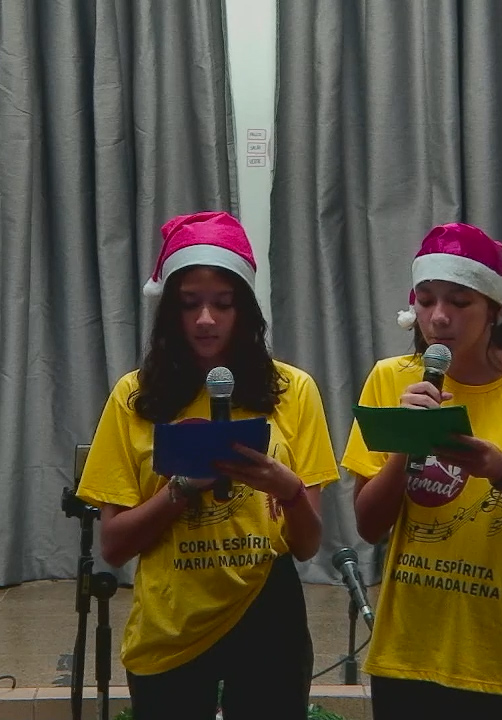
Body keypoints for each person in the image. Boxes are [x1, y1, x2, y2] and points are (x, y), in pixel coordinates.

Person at [75, 210, 340, 720]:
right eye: (189, 303)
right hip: (172, 620)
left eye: (222, 303)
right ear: (168, 311)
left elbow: (307, 546)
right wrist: (180, 488)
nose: (205, 320)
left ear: (246, 310)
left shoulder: (292, 390)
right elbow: (113, 547)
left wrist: (287, 489)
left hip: (268, 612)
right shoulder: (134, 396)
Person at [341, 222, 502, 719]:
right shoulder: (390, 378)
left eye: (460, 302)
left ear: (495, 310)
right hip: (408, 657)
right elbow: (370, 526)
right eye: (426, 301)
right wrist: (406, 441)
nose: (439, 317)